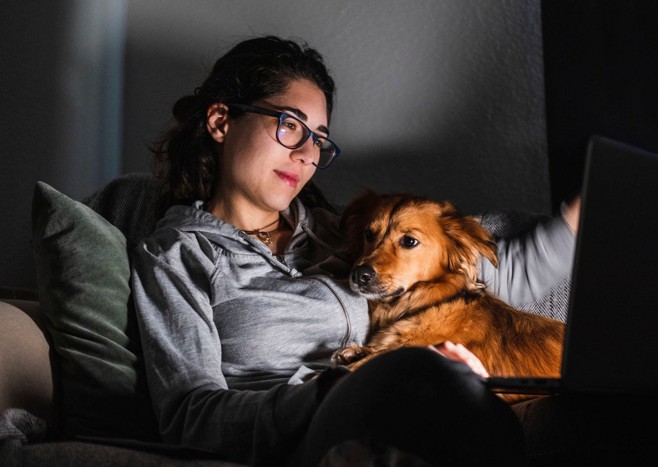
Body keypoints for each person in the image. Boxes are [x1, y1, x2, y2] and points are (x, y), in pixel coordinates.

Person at [130, 35, 578, 466]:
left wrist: (589, 210)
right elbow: (189, 416)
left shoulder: (343, 232)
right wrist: (336, 388)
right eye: (290, 125)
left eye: (319, 139)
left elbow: (491, 272)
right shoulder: (176, 256)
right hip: (308, 430)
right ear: (221, 121)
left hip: (411, 403)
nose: (308, 153)